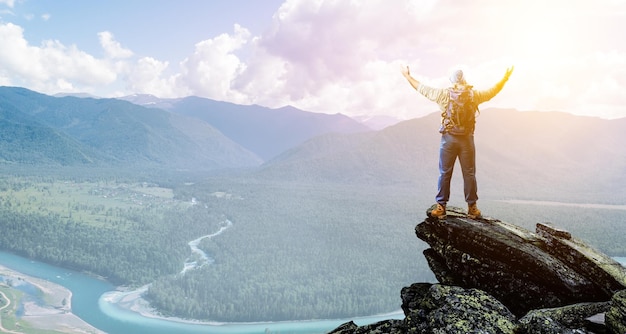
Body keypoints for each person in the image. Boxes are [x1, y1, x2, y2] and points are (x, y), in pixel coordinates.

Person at [401, 65, 514, 219]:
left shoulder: (442, 95)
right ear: (464, 79)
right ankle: (472, 208)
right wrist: (505, 78)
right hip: (467, 140)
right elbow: (492, 91)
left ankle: (441, 207)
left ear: (451, 80)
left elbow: (421, 88)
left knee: (445, 173)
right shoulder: (474, 95)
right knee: (469, 173)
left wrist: (407, 76)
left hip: (448, 139)